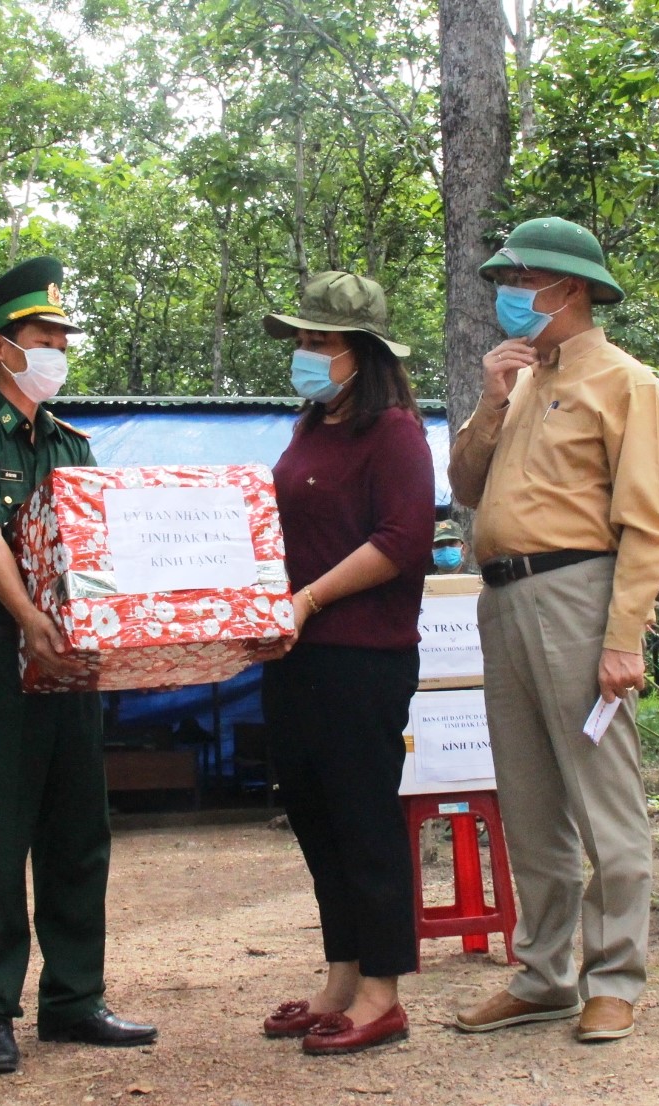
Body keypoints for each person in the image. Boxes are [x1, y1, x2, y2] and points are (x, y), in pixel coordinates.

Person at [448, 216, 659, 1043]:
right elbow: (465, 489)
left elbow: (646, 526)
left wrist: (624, 637)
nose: (507, 297)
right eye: (504, 284)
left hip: (579, 595)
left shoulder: (626, 383)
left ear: (567, 287)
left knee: (601, 798)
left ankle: (613, 979)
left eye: (519, 282)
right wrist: (488, 402)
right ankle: (542, 975)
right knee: (528, 799)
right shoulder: (517, 382)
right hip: (501, 599)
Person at [0, 256, 157, 1075]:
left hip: (72, 666)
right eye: (44, 337)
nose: (58, 350)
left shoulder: (73, 443)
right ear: (2, 348)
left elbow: (94, 548)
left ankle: (73, 999)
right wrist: (28, 620)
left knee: (77, 832)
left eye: (62, 338)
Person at [253, 271, 435, 1056]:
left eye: (319, 341)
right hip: (294, 653)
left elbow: (402, 540)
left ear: (362, 352)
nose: (304, 352)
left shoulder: (394, 432)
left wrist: (310, 599)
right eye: (299, 339)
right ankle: (341, 976)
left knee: (362, 820)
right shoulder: (308, 429)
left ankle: (382, 993)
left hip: (362, 658)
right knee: (316, 817)